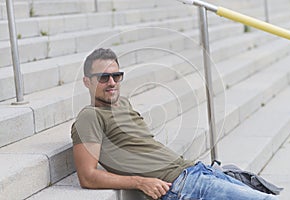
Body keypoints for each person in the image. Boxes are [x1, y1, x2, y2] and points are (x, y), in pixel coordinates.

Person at [71, 48, 278, 200]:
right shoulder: (90, 116)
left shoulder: (123, 103)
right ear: (87, 82)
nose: (112, 83)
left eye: (116, 76)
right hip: (182, 185)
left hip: (197, 171)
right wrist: (140, 181)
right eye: (103, 78)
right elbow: (87, 177)